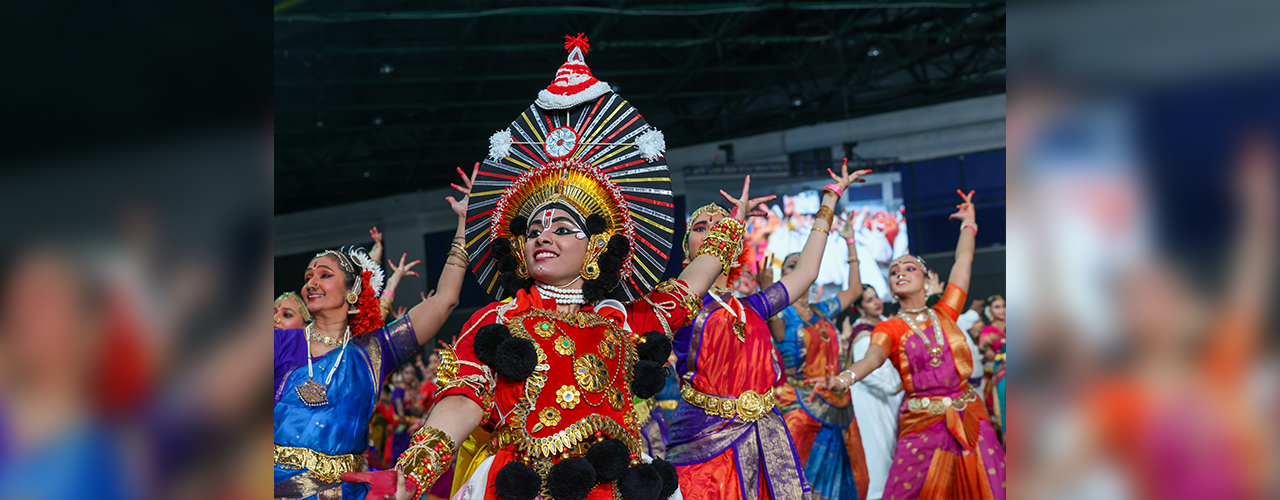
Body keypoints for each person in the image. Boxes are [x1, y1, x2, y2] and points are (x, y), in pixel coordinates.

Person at [344, 34, 754, 500]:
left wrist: (727, 228)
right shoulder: (497, 321)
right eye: (535, 229)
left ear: (597, 245)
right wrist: (412, 474)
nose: (543, 235)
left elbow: (695, 279)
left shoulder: (629, 320)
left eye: (562, 228)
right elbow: (461, 402)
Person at [667, 162, 868, 500]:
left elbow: (806, 272)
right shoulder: (679, 300)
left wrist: (830, 200)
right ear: (687, 250)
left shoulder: (753, 306)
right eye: (702, 228)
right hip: (703, 442)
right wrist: (734, 222)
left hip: (765, 437)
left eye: (722, 227)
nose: (715, 231)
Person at [273, 166, 474, 499]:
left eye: (324, 275)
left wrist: (464, 227)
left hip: (345, 491)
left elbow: (445, 301)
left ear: (353, 291)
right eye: (308, 276)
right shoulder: (280, 343)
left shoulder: (374, 351)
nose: (311, 282)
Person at [810, 189, 1006, 500]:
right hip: (921, 422)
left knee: (987, 487)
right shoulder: (889, 327)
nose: (900, 272)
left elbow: (963, 259)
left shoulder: (946, 310)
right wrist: (844, 378)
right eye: (894, 271)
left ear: (927, 281)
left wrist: (969, 223)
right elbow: (873, 358)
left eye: (909, 268)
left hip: (970, 415)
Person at [770, 216, 871, 500]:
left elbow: (854, 291)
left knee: (844, 478)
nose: (800, 269)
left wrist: (850, 242)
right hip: (799, 406)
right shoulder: (782, 314)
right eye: (793, 265)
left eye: (804, 264)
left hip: (837, 401)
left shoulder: (823, 309)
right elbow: (777, 333)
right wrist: (770, 293)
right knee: (798, 478)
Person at [845, 284, 902, 500]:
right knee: (878, 452)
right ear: (859, 308)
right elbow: (867, 373)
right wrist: (895, 387)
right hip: (872, 401)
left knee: (890, 448)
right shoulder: (864, 335)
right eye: (869, 300)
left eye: (876, 297)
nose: (876, 302)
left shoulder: (881, 325)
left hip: (888, 398)